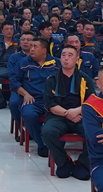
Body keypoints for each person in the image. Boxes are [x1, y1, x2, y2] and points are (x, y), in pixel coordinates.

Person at [37, 43, 91, 179]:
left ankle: (82, 164)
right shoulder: (52, 79)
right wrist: (68, 114)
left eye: (70, 55)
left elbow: (92, 103)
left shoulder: (85, 79)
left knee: (95, 133)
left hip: (80, 116)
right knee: (47, 132)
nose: (66, 58)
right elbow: (49, 104)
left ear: (77, 59)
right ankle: (63, 162)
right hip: (58, 116)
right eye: (63, 55)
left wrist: (77, 111)